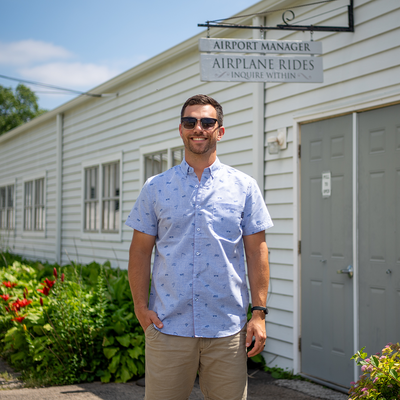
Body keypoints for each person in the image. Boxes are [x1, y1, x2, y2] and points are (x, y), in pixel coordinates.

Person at [126, 94, 273, 400]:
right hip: (168, 327)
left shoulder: (244, 187)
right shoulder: (155, 187)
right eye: (190, 121)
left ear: (220, 130)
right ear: (180, 129)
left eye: (207, 122)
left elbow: (257, 251)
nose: (198, 128)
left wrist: (258, 314)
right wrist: (141, 308)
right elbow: (140, 251)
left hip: (227, 331)